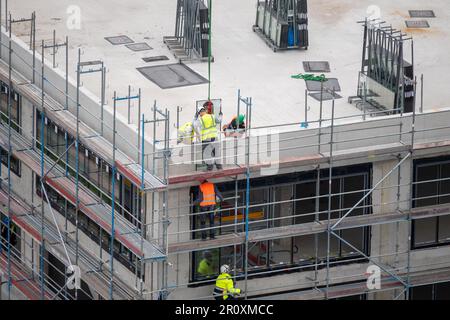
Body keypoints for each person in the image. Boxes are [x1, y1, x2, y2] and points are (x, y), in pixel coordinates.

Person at [195, 103, 223, 171]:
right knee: (216, 152)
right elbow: (219, 120)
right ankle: (219, 167)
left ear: (200, 113)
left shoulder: (200, 119)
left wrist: (195, 118)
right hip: (214, 137)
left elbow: (195, 126)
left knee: (206, 153)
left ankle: (210, 167)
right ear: (205, 111)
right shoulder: (212, 116)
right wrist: (221, 115)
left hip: (206, 138)